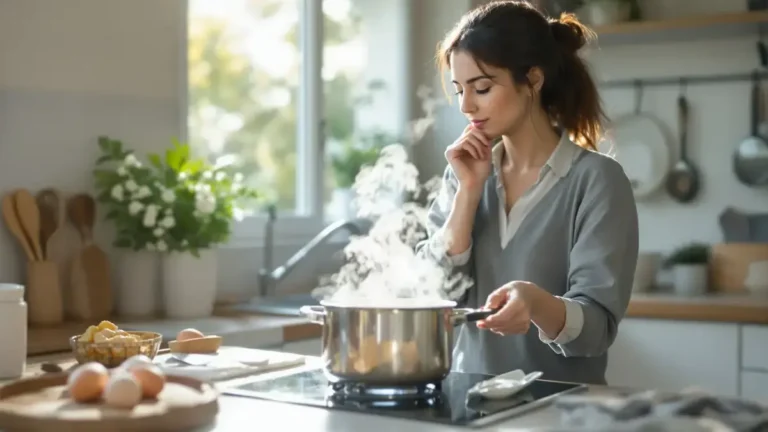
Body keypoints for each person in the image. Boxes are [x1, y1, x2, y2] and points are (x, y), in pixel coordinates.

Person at [415, 0, 639, 385]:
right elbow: (431, 293)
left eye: (482, 88)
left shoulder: (597, 181)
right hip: (468, 400)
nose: (466, 106)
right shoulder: (463, 173)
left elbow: (597, 329)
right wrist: (468, 193)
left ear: (533, 80)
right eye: (459, 90)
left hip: (561, 407)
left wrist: (535, 303)